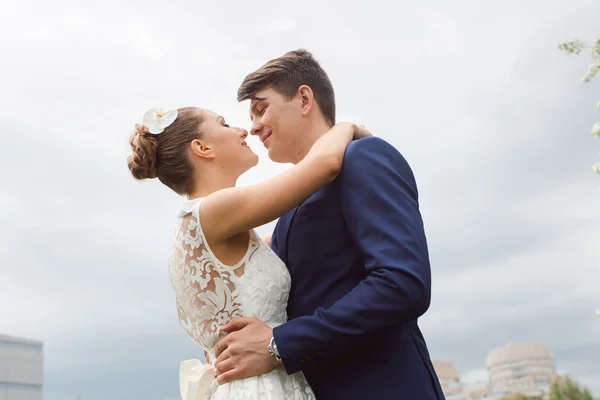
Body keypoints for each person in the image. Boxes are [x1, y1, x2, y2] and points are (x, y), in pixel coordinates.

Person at [212, 49, 446, 399]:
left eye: (262, 108)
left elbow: (402, 283)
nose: (254, 125)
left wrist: (279, 344)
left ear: (304, 98)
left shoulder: (365, 157)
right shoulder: (287, 209)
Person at [127, 106, 370, 399]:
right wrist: (348, 127)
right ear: (202, 148)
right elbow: (326, 163)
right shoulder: (212, 210)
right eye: (224, 124)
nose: (243, 130)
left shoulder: (210, 226)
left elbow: (285, 244)